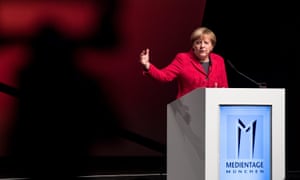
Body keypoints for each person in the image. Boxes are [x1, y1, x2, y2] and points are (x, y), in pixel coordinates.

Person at [139, 26, 228, 99]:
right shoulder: (183, 59)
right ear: (193, 46)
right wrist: (147, 65)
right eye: (198, 42)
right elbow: (164, 76)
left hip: (212, 108)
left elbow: (224, 87)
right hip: (187, 110)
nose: (202, 46)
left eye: (206, 43)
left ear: (212, 46)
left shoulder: (219, 60)